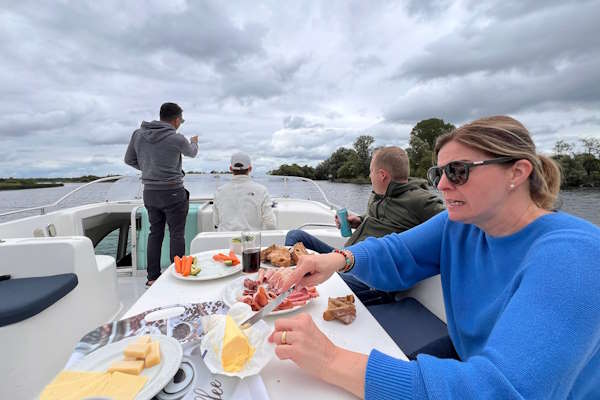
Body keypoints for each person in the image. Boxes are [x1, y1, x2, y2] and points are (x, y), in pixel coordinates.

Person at [269, 116, 600, 399]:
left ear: (517, 173)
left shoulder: (574, 256)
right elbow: (398, 251)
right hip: (469, 359)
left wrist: (329, 359)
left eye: (457, 171)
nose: (442, 185)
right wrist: (337, 260)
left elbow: (500, 390)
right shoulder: (462, 225)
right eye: (437, 173)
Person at [285, 146, 444, 303]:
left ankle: (291, 289)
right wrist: (358, 220)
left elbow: (449, 224)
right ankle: (286, 280)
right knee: (295, 235)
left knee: (317, 286)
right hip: (346, 258)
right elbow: (382, 219)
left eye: (371, 171)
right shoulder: (378, 196)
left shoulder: (420, 200)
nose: (369, 176)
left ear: (382, 175)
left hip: (371, 278)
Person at [124, 102, 198, 286]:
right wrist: (194, 142)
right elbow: (192, 153)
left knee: (155, 233)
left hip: (150, 192)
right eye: (181, 120)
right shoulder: (177, 138)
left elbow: (129, 160)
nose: (181, 123)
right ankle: (178, 276)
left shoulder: (138, 134)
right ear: (175, 120)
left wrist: (149, 169)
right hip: (173, 191)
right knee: (176, 234)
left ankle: (152, 277)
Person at [213, 152, 276, 231]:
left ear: (231, 169)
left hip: (225, 241)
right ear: (250, 169)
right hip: (252, 241)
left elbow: (216, 223)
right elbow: (270, 224)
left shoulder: (219, 191)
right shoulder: (262, 190)